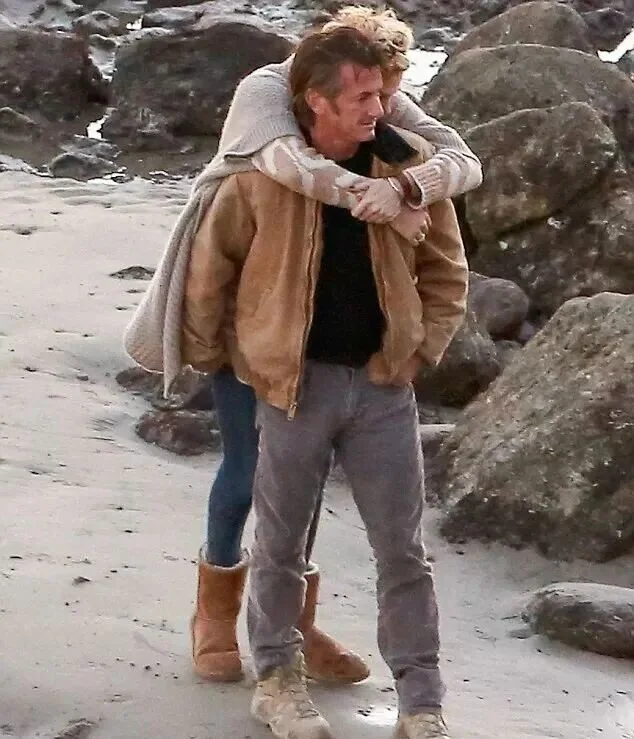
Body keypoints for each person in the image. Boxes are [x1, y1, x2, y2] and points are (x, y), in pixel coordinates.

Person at [123, 5, 481, 689]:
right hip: (251, 332)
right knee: (245, 469)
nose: (388, 102)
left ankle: (296, 624)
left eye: (394, 86)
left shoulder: (379, 102)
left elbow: (461, 161)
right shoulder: (266, 94)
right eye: (377, 86)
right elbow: (285, 170)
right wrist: (377, 196)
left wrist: (409, 184)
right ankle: (214, 612)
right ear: (327, 83)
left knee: (300, 487)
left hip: (317, 346)